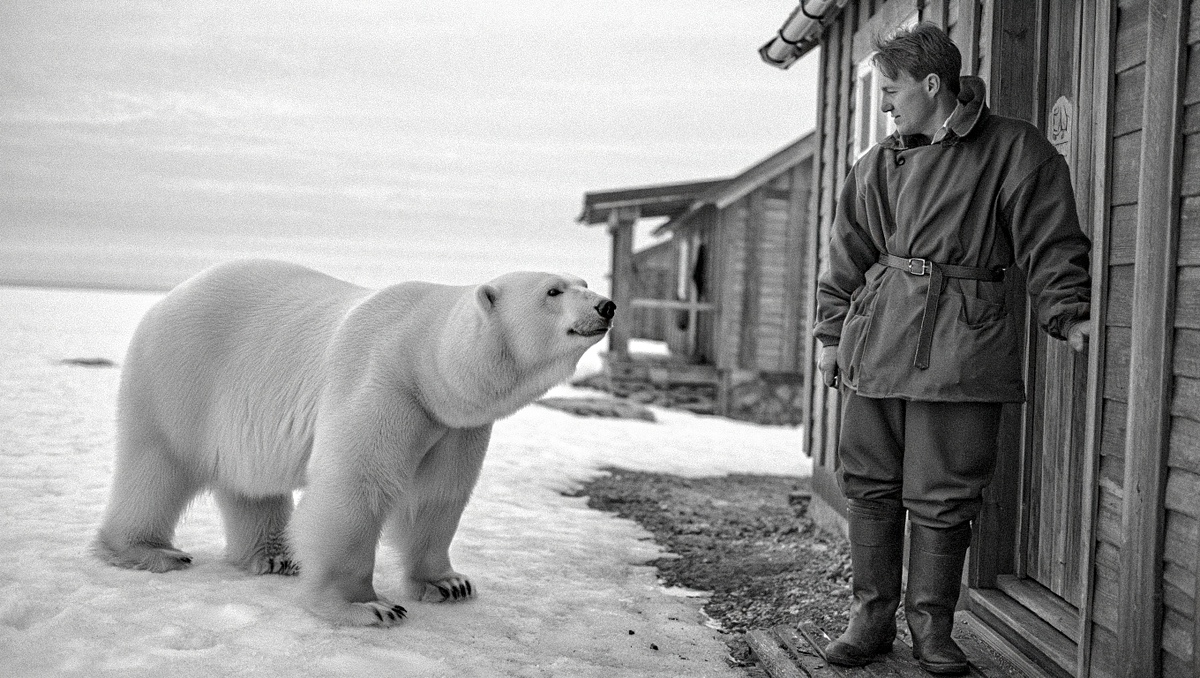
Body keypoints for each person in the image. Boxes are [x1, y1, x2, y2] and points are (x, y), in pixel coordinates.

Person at [814, 23, 1092, 675]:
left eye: (891, 90)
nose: (884, 104)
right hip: (876, 343)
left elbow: (1052, 241)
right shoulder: (877, 164)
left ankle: (932, 629)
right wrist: (831, 334)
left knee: (945, 494)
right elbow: (847, 251)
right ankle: (870, 619)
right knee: (870, 485)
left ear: (931, 85)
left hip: (964, 348)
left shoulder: (1014, 150)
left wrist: (1067, 312)